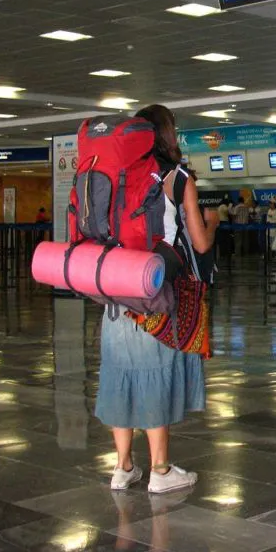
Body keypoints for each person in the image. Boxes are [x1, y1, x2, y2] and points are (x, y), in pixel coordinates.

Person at [96, 104, 218, 495]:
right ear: (167, 134)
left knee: (120, 374)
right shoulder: (177, 177)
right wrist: (214, 222)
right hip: (156, 293)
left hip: (115, 291)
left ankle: (123, 467)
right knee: (154, 376)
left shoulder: (118, 174)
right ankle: (161, 471)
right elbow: (199, 242)